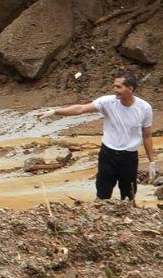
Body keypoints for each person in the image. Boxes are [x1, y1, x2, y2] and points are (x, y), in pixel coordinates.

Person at [41, 71, 156, 202]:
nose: (115, 90)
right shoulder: (107, 102)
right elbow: (81, 109)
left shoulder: (144, 108)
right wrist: (55, 111)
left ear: (130, 89)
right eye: (114, 86)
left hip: (129, 157)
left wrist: (151, 161)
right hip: (108, 155)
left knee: (128, 195)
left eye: (119, 87)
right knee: (102, 194)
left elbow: (147, 136)